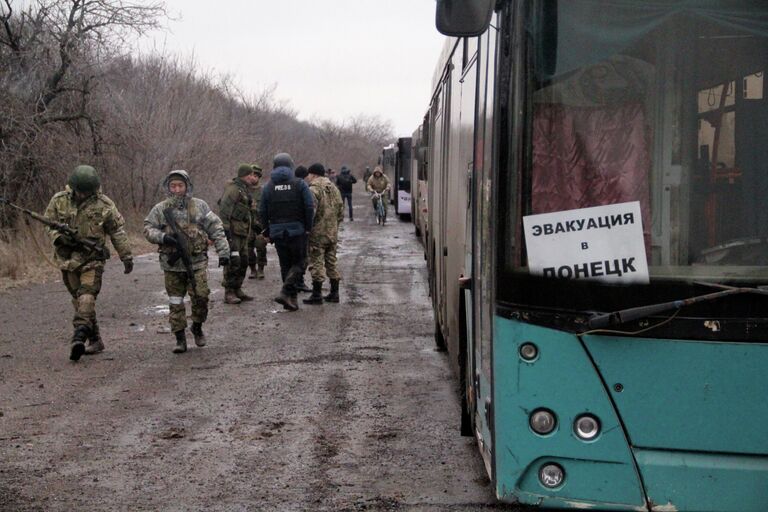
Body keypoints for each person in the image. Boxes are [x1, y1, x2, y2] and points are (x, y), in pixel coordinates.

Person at [44, 165, 133, 361]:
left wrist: (126, 256)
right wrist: (58, 237)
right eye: (80, 191)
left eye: (87, 191)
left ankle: (79, 335)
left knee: (87, 296)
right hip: (67, 260)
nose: (83, 195)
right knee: (79, 301)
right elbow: (48, 223)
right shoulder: (59, 201)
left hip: (92, 259)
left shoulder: (104, 204)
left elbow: (117, 232)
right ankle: (95, 340)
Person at [144, 170, 230, 354]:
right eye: (173, 186)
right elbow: (148, 229)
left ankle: (197, 326)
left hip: (197, 262)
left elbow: (216, 227)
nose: (176, 189)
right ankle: (179, 337)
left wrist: (224, 252)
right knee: (176, 302)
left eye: (180, 185)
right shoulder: (160, 209)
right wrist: (164, 237)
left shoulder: (199, 206)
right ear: (168, 187)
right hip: (172, 265)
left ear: (187, 186)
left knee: (201, 296)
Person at [259, 153, 314, 311]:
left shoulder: (268, 186)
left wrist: (267, 231)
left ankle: (292, 300)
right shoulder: (300, 184)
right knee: (301, 262)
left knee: (285, 265)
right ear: (291, 165)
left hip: (277, 232)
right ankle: (285, 292)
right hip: (297, 231)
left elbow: (262, 210)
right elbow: (309, 207)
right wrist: (308, 227)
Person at [218, 164, 260, 304]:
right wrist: (226, 233)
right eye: (249, 175)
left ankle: (237, 288)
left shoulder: (244, 190)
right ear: (244, 175)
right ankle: (229, 292)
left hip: (243, 233)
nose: (251, 178)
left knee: (244, 261)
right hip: (233, 233)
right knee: (233, 262)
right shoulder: (233, 190)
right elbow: (224, 210)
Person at [302, 163, 344, 304]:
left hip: (318, 233)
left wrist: (307, 228)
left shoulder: (313, 189)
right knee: (331, 262)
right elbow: (341, 211)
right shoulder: (334, 188)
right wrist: (334, 226)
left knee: (317, 262)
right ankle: (334, 293)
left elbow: (310, 211)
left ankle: (317, 294)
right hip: (332, 233)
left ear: (313, 174)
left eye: (309, 175)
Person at [292, 165, 312, 293]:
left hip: (291, 226)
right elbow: (309, 208)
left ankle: (294, 282)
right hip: (301, 228)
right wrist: (308, 226)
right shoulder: (303, 186)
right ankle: (298, 282)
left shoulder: (292, 185)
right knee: (302, 257)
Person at [246, 164, 268, 280]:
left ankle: (260, 269)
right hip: (247, 225)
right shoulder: (244, 190)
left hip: (260, 224)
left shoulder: (264, 191)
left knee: (261, 247)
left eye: (255, 175)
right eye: (251, 175)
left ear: (259, 177)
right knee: (248, 248)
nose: (253, 178)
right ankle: (252, 269)